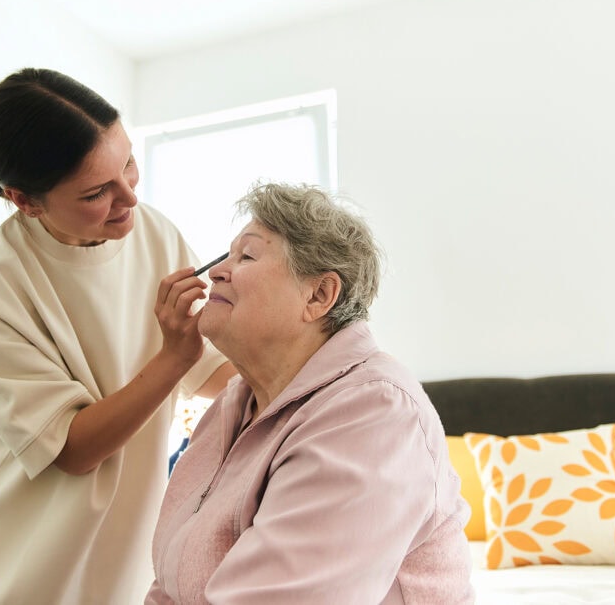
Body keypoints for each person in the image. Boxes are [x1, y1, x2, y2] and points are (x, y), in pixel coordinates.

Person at [0, 68, 235, 604]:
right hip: (16, 576)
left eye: (130, 165)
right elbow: (71, 449)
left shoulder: (155, 233)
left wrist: (305, 381)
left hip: (123, 571)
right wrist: (172, 358)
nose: (129, 200)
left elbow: (210, 369)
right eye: (98, 192)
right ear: (26, 200)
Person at [147, 182, 475, 604]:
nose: (217, 272)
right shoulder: (232, 405)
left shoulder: (373, 413)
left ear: (319, 295)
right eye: (225, 256)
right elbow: (169, 585)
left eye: (246, 256)